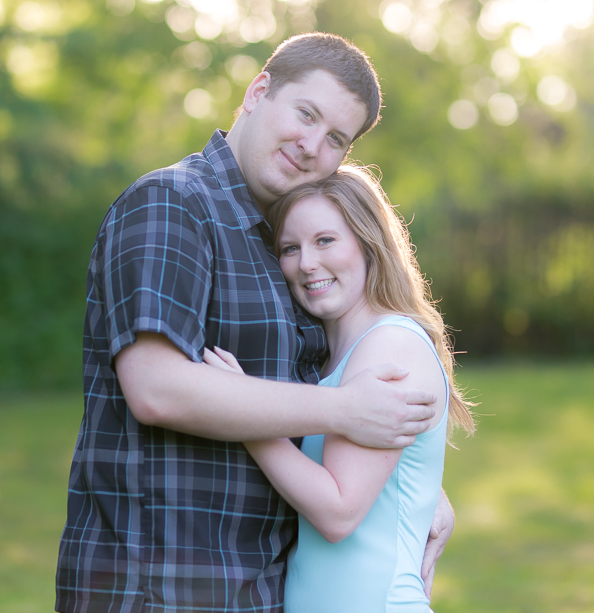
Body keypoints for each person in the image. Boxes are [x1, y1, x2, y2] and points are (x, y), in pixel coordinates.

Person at [55, 33, 454, 613]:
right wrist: (346, 411)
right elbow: (156, 389)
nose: (312, 144)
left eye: (336, 138)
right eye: (306, 113)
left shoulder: (282, 248)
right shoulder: (174, 204)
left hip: (255, 589)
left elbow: (299, 396)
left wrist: (408, 490)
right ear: (258, 91)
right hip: (157, 587)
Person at [204, 164, 476, 613]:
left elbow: (339, 512)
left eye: (325, 240)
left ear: (369, 242)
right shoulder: (333, 360)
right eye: (290, 248)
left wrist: (241, 409)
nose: (307, 263)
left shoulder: (391, 345)